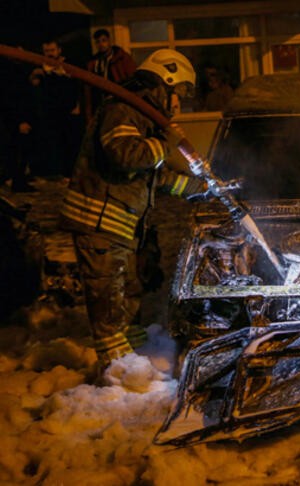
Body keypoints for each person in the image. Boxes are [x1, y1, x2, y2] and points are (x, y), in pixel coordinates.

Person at [60, 49, 208, 368]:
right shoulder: (123, 108)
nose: (179, 103)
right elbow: (125, 155)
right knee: (109, 308)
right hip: (99, 221)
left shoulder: (141, 117)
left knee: (128, 299)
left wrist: (201, 188)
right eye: (178, 92)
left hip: (119, 224)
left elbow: (154, 175)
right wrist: (167, 143)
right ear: (163, 83)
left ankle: (140, 362)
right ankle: (118, 378)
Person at [36, 39, 82, 179]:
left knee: (70, 142)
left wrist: (77, 104)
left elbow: (77, 86)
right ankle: (57, 171)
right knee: (54, 142)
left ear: (59, 50)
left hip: (68, 110)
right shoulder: (41, 68)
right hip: (50, 112)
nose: (49, 54)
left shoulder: (68, 66)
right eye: (46, 51)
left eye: (52, 50)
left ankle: (70, 172)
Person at [85, 29, 137, 122]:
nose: (101, 44)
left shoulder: (122, 58)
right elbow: (89, 87)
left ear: (109, 41)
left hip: (118, 100)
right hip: (101, 102)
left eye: (104, 40)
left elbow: (132, 78)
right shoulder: (94, 62)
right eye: (98, 42)